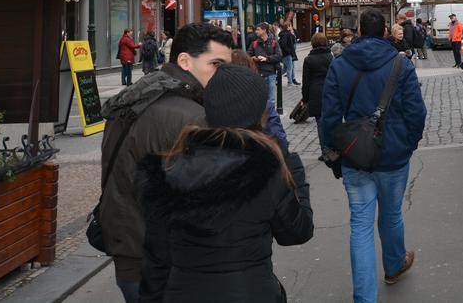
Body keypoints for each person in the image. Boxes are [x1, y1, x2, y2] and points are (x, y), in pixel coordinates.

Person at [136, 65, 314, 302]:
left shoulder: (169, 169)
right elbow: (297, 231)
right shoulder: (266, 168)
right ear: (256, 111)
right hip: (252, 293)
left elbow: (156, 258)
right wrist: (294, 172)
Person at [99, 22, 234, 302]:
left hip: (129, 249)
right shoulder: (191, 118)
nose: (224, 76)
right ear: (184, 61)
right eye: (216, 64)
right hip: (165, 262)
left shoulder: (136, 98)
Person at [320, 10, 427, 302]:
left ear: (357, 31)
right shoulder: (399, 63)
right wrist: (409, 143)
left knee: (360, 225)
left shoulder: (340, 65)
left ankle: (365, 298)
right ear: (384, 33)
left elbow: (328, 116)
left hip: (356, 155)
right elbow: (416, 112)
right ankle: (394, 265)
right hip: (393, 154)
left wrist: (332, 154)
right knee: (391, 214)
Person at [300, 32, 333, 156]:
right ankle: (333, 148)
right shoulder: (331, 56)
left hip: (315, 92)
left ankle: (324, 151)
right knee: (333, 120)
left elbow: (306, 81)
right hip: (331, 90)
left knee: (320, 122)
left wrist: (305, 98)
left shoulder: (309, 59)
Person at [248, 23, 283, 109]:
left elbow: (279, 56)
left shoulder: (273, 42)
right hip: (257, 73)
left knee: (270, 99)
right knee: (258, 98)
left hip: (270, 74)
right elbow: (247, 55)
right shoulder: (254, 43)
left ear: (264, 30)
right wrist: (254, 58)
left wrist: (266, 59)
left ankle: (270, 118)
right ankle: (261, 117)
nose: (256, 31)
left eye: (258, 29)